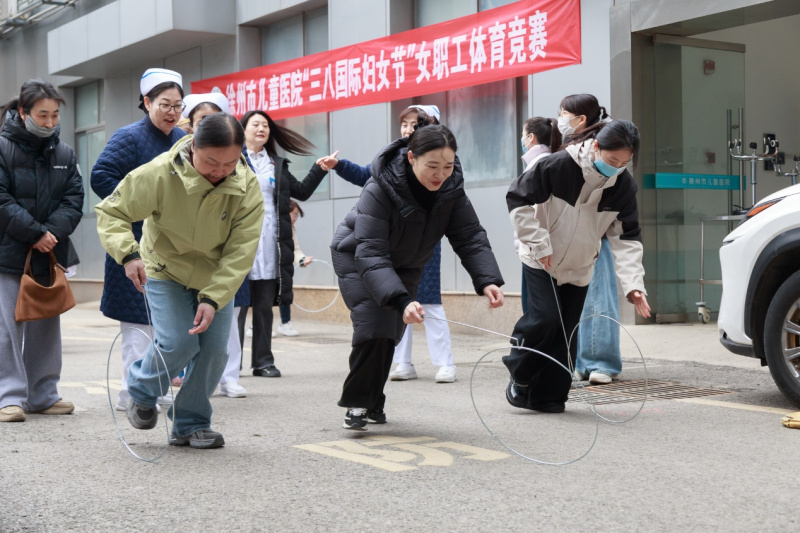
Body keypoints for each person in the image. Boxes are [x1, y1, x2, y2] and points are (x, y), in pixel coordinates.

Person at [95, 113, 264, 449]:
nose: (220, 171)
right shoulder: (160, 172)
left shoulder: (247, 186)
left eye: (230, 163)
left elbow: (241, 250)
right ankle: (142, 391)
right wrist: (128, 254)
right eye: (211, 162)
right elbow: (112, 212)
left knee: (215, 351)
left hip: (215, 276)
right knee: (177, 342)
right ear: (193, 147)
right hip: (165, 268)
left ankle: (191, 423)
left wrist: (213, 298)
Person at [331, 122, 505, 430]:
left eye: (448, 166)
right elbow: (370, 252)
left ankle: (373, 399)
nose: (441, 175)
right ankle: (358, 402)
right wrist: (400, 299)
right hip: (358, 256)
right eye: (432, 166)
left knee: (390, 332)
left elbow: (469, 236)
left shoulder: (451, 190)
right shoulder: (380, 188)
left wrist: (487, 279)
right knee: (374, 326)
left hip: (406, 263)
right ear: (411, 158)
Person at [505, 119, 651, 414]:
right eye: (612, 160)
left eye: (624, 163)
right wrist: (539, 244)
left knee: (566, 334)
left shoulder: (623, 186)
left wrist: (634, 285)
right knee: (545, 319)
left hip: (580, 266)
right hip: (541, 259)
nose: (617, 167)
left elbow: (626, 239)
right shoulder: (558, 166)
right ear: (596, 146)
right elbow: (518, 199)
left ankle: (548, 397)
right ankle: (520, 374)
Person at [319, 105, 459, 384]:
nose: (407, 129)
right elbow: (366, 174)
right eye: (404, 124)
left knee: (429, 303)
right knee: (396, 304)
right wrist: (339, 165)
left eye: (414, 124)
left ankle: (445, 363)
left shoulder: (441, 160)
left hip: (423, 247)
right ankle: (402, 362)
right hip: (391, 246)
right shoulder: (392, 159)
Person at [91, 68, 187, 411]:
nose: (172, 112)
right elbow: (100, 175)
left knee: (166, 325)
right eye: (165, 104)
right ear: (147, 102)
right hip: (133, 243)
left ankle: (154, 389)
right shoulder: (128, 137)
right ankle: (132, 394)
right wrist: (137, 208)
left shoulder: (182, 139)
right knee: (138, 323)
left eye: (178, 105)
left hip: (171, 246)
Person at [0, 79, 84, 423]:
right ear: (23, 112)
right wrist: (35, 233)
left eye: (54, 115)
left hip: (48, 252)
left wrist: (50, 234)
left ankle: (43, 394)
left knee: (47, 322)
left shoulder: (64, 153)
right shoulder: (2, 148)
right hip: (8, 252)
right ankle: (9, 397)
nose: (50, 122)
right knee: (7, 328)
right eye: (42, 115)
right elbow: (1, 199)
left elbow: (74, 199)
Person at [242, 110, 329, 378]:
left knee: (264, 306)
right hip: (239, 241)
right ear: (242, 130)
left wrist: (320, 169)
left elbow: (301, 191)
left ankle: (263, 362)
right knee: (235, 308)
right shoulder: (233, 159)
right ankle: (228, 365)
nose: (261, 129)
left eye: (265, 125)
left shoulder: (276, 164)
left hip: (270, 242)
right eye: (255, 124)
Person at [557, 94, 623, 385]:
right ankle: (582, 362)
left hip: (594, 231)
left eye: (563, 113)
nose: (560, 118)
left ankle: (600, 362)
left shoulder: (599, 145)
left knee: (597, 297)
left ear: (581, 119)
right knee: (578, 299)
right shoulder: (573, 144)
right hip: (572, 233)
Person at [517, 117, 561, 314]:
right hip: (544, 247)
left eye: (523, 134)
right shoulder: (549, 161)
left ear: (531, 137)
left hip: (537, 250)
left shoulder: (538, 164)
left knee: (534, 309)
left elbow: (530, 210)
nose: (522, 139)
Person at [276, 199, 313, 337]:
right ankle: (255, 326)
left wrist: (302, 260)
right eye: (295, 214)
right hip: (269, 267)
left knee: (285, 293)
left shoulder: (291, 229)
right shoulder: (272, 224)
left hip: (284, 267)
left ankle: (285, 324)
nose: (296, 218)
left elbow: (295, 249)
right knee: (264, 295)